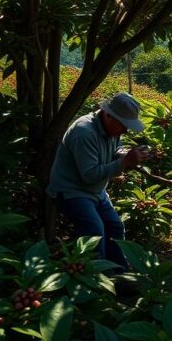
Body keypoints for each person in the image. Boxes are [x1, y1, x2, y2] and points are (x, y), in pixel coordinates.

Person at [47, 92, 149, 270]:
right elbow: (90, 175)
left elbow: (115, 149)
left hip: (96, 191)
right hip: (71, 191)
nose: (125, 130)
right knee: (94, 231)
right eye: (124, 125)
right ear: (108, 115)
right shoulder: (84, 132)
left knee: (115, 227)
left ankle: (119, 273)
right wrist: (124, 162)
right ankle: (97, 279)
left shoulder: (112, 128)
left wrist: (126, 154)